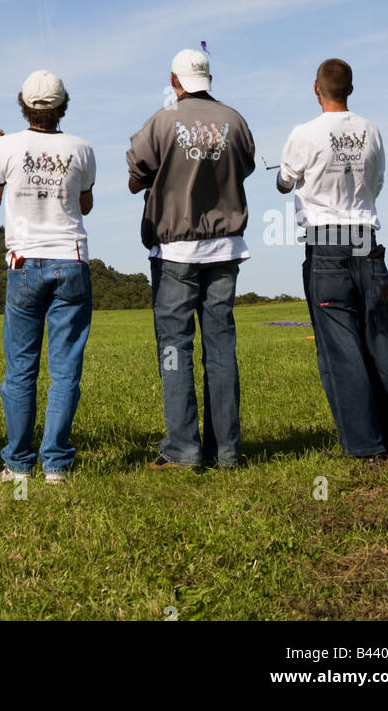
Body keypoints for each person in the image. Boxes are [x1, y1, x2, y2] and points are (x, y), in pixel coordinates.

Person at [127, 49, 255, 471]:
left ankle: (183, 450)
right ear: (208, 78)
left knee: (175, 349)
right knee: (221, 347)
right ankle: (227, 452)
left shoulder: (162, 121)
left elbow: (135, 175)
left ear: (174, 81)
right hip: (225, 248)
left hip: (175, 250)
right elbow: (246, 164)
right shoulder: (235, 120)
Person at [276, 58, 388, 459]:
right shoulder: (371, 130)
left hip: (326, 242)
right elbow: (378, 180)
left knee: (341, 346)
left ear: (316, 89)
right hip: (366, 238)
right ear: (349, 89)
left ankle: (365, 447)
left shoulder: (304, 133)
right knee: (377, 339)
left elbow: (285, 181)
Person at [0, 71, 96, 483]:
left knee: (21, 368)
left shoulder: (7, 146)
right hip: (71, 260)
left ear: (23, 104)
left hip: (24, 263)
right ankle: (56, 465)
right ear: (63, 105)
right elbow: (85, 203)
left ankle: (17, 464)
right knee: (65, 369)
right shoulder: (82, 148)